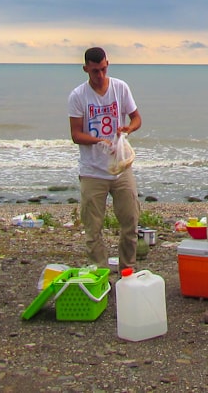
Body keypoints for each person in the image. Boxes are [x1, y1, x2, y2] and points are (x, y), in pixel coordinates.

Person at [68, 47, 142, 270]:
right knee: (93, 228)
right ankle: (100, 273)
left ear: (107, 65)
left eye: (102, 70)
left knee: (130, 222)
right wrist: (98, 140)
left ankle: (127, 270)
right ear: (85, 69)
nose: (99, 76)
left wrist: (127, 129)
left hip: (120, 166)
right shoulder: (78, 96)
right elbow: (75, 134)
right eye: (94, 72)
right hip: (92, 170)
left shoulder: (120, 87)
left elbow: (137, 118)